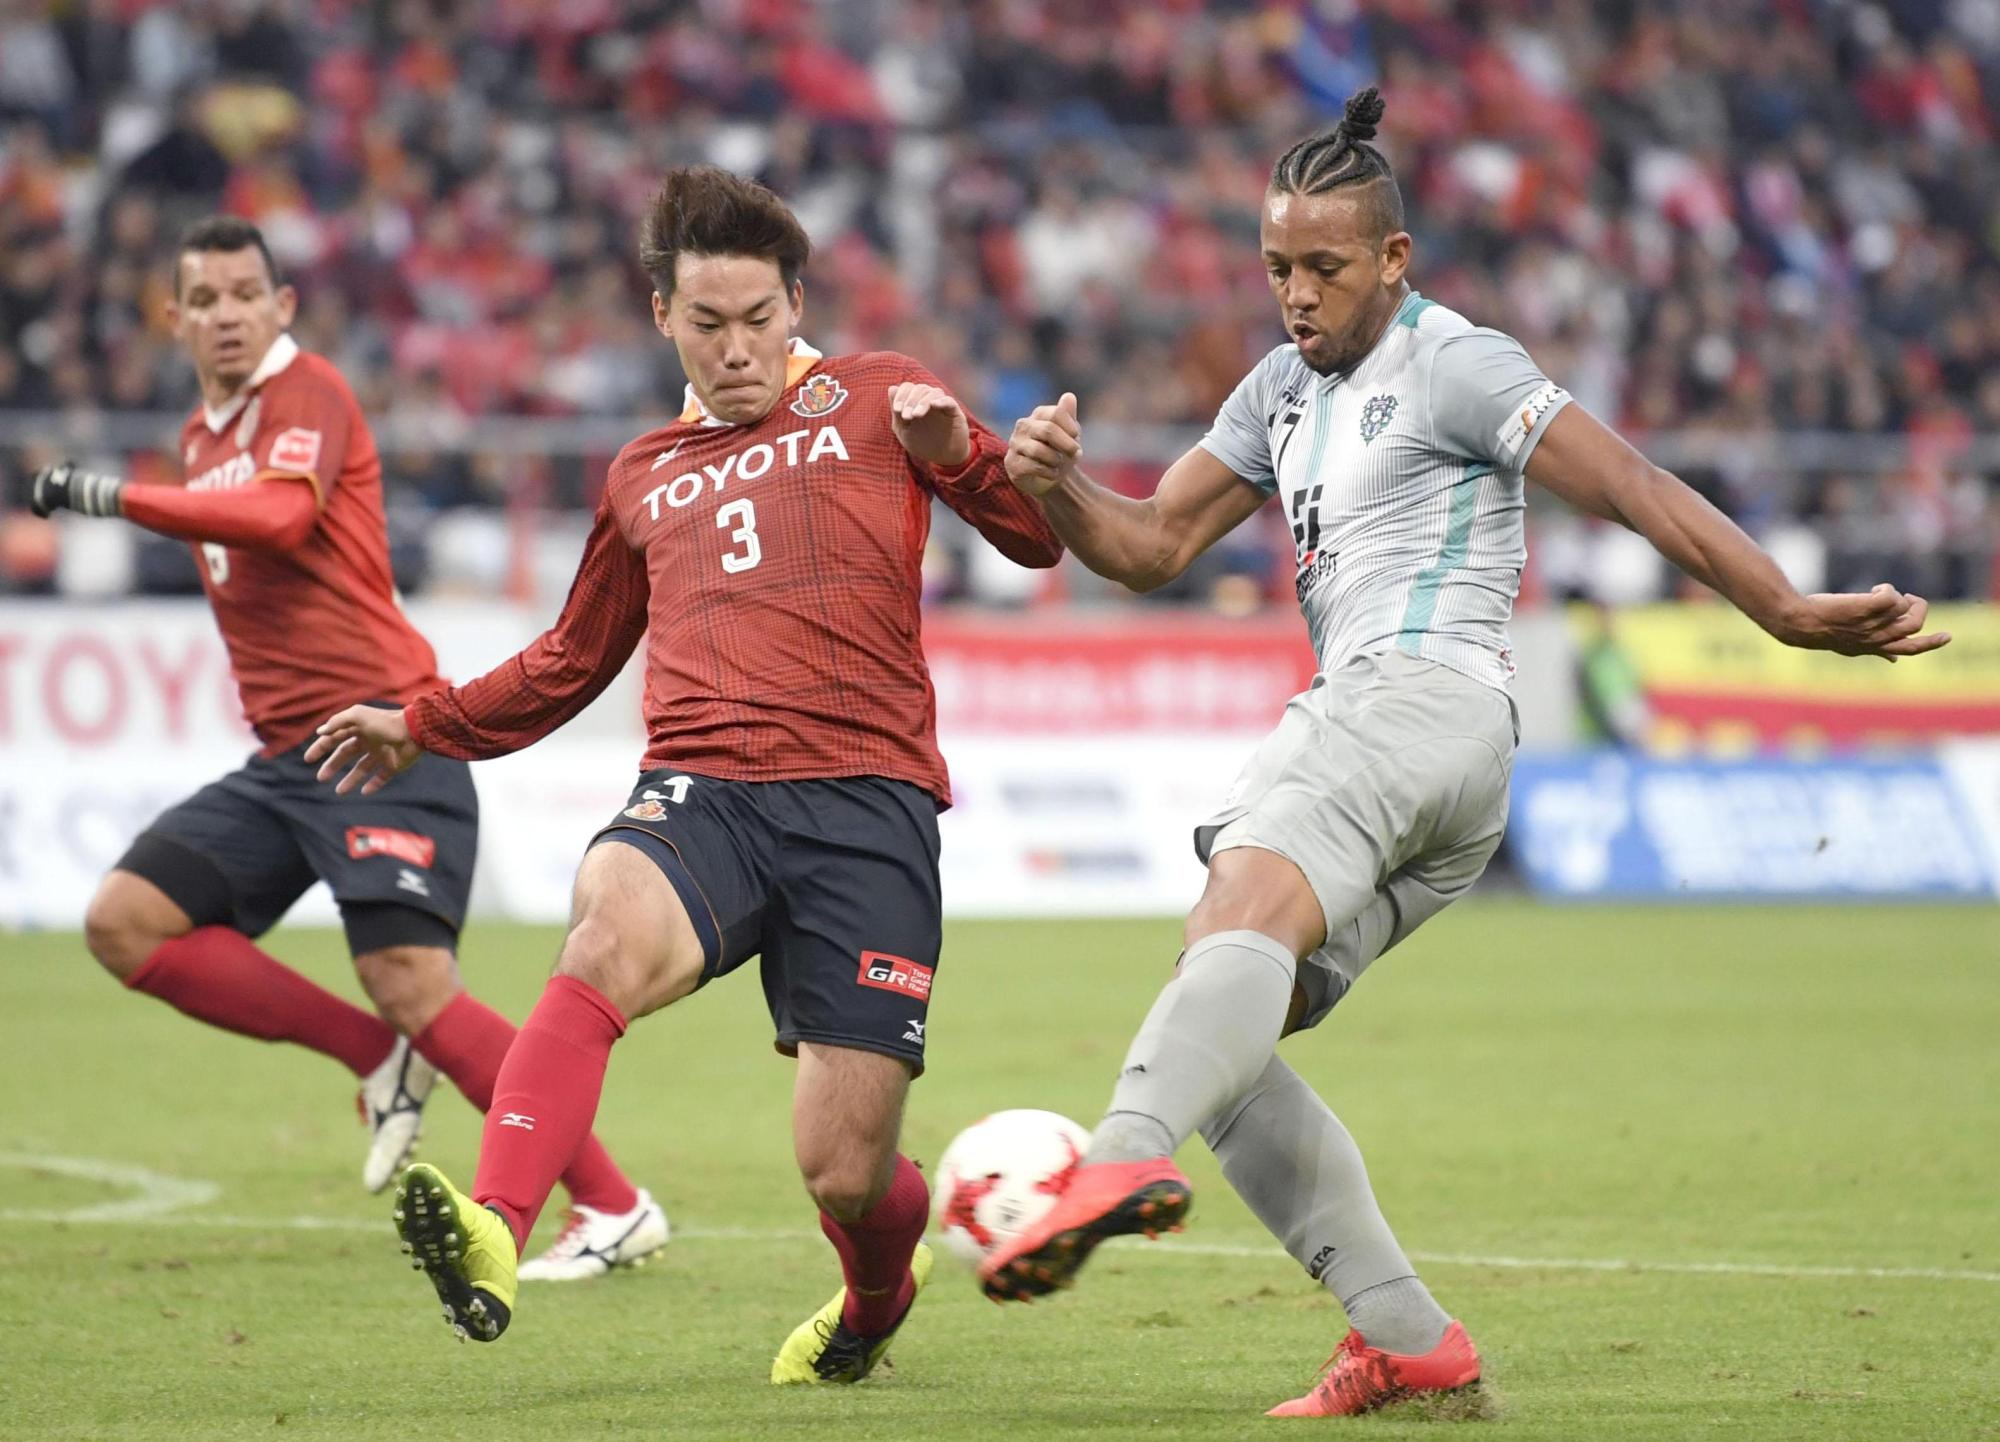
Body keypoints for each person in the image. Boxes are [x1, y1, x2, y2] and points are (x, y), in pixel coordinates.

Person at [984, 88, 1949, 1417]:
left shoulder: (1455, 361)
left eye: (1325, 267)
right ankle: (1406, 1335)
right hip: (1453, 785)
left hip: (1408, 698)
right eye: (1277, 268)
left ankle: (1111, 1161)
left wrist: (1779, 606)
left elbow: (1633, 484)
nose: (1296, 296)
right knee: (1221, 1015)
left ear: (1394, 259)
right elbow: (1149, 549)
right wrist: (1058, 489)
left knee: (1229, 939)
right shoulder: (1276, 389)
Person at [306, 166, 1062, 1377]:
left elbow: (1034, 537)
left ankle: (874, 1295)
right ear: (661, 314)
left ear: (795, 301)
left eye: (758, 318)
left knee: (843, 1167)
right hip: (702, 791)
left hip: (865, 804)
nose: (736, 348)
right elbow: (568, 660)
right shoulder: (640, 472)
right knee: (602, 923)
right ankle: (498, 1228)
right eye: (706, 323)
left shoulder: (882, 397)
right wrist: (424, 719)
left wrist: (969, 460)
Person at [30, 216, 666, 1280]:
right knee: (126, 922)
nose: (228, 313)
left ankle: (611, 1203)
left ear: (282, 309)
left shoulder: (307, 391)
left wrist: (109, 495)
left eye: (247, 293)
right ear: (176, 317)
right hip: (288, 758)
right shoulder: (201, 436)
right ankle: (379, 1055)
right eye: (206, 298)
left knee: (414, 976)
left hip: (383, 734)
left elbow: (279, 520)